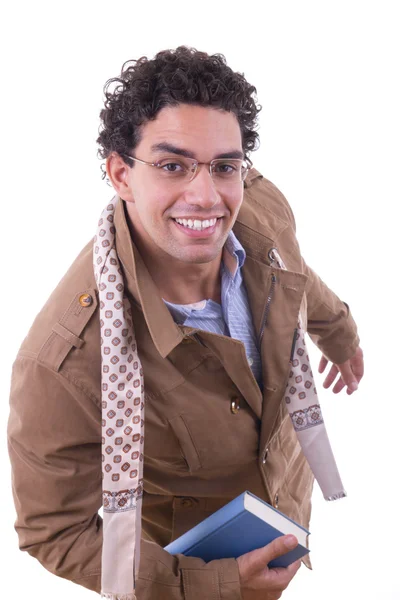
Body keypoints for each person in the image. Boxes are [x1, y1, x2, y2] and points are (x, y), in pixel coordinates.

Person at [7, 46, 363, 600]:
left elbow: (289, 270)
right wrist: (211, 584)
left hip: (288, 510)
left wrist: (337, 330)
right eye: (173, 165)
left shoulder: (259, 208)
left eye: (225, 165)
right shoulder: (64, 363)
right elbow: (55, 532)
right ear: (121, 174)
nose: (207, 195)